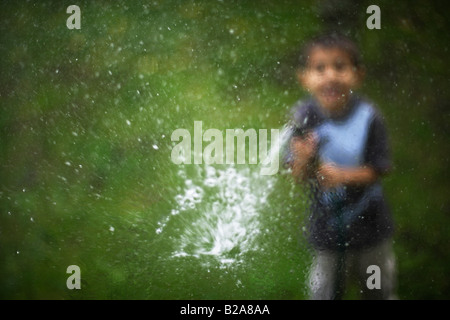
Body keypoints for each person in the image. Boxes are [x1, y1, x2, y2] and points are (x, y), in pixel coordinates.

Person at [285, 32, 396, 299]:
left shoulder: (369, 116)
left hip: (372, 229)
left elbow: (379, 169)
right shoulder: (302, 118)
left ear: (357, 74)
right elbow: (297, 175)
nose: (330, 75)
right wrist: (302, 158)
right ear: (305, 78)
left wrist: (342, 175)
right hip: (326, 234)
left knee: (378, 291)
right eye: (320, 68)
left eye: (340, 66)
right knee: (324, 293)